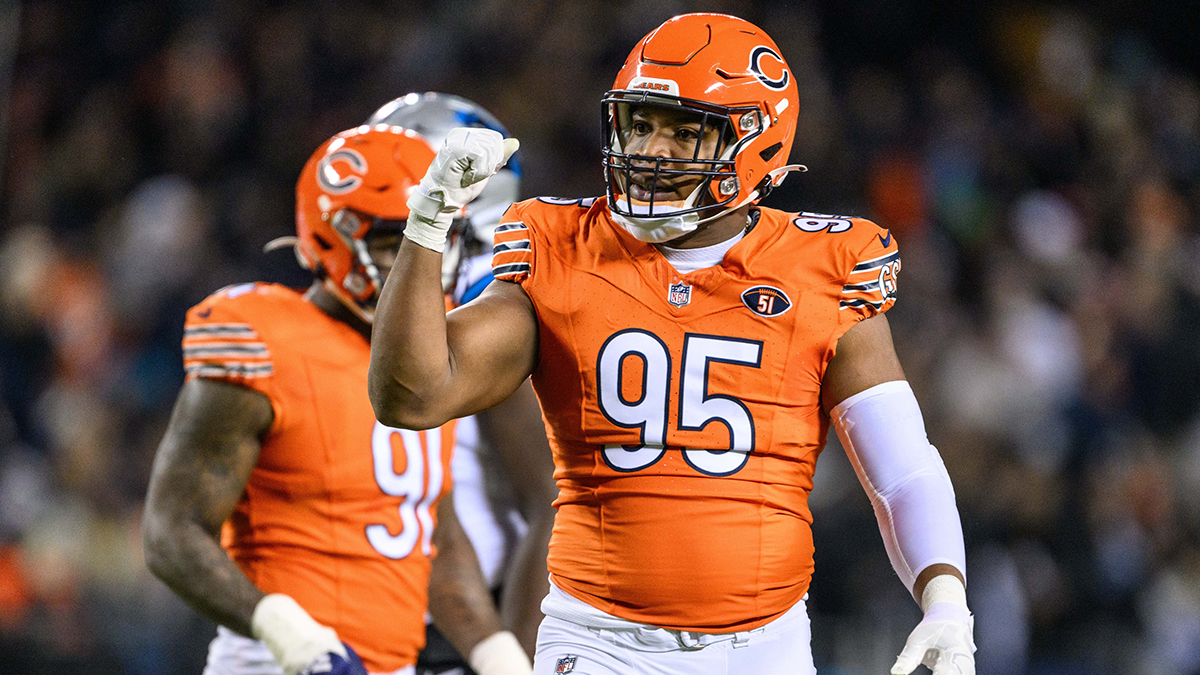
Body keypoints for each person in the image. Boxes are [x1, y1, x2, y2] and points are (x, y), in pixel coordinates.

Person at [368, 12, 975, 675]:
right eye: (640, 123)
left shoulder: (823, 268)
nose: (652, 149)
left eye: (685, 130)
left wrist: (945, 599)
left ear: (757, 143)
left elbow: (902, 470)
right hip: (598, 640)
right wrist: (427, 223)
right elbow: (415, 393)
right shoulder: (562, 250)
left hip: (762, 648)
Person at [142, 120, 532, 675]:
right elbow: (171, 531)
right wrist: (289, 634)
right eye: (389, 242)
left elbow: (434, 536)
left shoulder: (428, 360)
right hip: (274, 662)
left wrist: (497, 656)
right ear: (332, 237)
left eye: (430, 238)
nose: (416, 260)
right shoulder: (265, 337)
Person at [365, 92, 557, 669]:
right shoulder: (373, 288)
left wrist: (511, 657)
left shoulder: (484, 296)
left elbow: (551, 502)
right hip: (378, 614)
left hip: (467, 625)